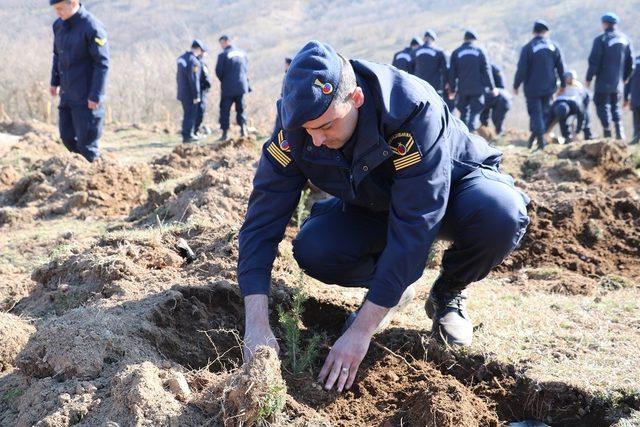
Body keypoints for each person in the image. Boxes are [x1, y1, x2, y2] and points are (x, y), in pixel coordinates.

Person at [238, 41, 530, 393]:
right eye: (306, 130)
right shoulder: (298, 125)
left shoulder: (410, 109)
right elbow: (261, 222)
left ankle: (447, 292)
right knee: (316, 248)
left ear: (355, 100)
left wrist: (361, 331)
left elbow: (418, 221)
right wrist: (255, 326)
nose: (314, 140)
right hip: (373, 203)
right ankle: (394, 286)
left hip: (453, 192)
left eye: (327, 127)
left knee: (500, 214)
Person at [49, 0, 109, 162]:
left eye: (60, 8)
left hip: (87, 96)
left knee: (87, 144)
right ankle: (84, 167)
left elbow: (102, 64)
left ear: (73, 2)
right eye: (55, 9)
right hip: (67, 93)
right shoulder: (58, 26)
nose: (58, 13)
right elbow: (57, 55)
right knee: (66, 137)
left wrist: (96, 94)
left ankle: (95, 176)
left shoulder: (92, 27)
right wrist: (54, 81)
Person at [514, 20, 565, 150]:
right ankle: (534, 141)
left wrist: (516, 85)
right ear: (546, 32)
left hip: (532, 88)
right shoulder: (553, 46)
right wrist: (563, 84)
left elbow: (522, 69)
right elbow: (561, 67)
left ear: (534, 33)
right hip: (549, 88)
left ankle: (541, 143)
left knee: (536, 115)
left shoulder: (528, 47)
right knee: (543, 114)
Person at [586, 12, 634, 139]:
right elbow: (631, 63)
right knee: (615, 105)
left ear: (605, 24)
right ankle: (619, 131)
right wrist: (625, 78)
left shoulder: (601, 39)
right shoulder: (625, 40)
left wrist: (589, 78)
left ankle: (607, 131)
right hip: (618, 82)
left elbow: (594, 61)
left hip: (603, 80)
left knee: (601, 103)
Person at [449, 30, 497, 132]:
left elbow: (452, 73)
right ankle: (471, 131)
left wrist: (452, 90)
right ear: (474, 40)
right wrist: (492, 87)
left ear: (464, 39)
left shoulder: (456, 52)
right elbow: (487, 70)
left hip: (462, 88)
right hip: (477, 88)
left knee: (463, 112)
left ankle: (462, 133)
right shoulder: (480, 51)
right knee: (475, 111)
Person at [215, 35, 250, 140]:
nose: (221, 45)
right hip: (241, 86)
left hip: (228, 87)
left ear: (226, 42)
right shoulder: (243, 54)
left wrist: (225, 81)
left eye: (221, 43)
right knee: (241, 108)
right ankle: (243, 129)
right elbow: (245, 68)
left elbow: (219, 72)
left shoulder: (223, 55)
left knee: (225, 110)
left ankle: (224, 133)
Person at [546, 71, 593, 142]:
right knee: (561, 117)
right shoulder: (560, 85)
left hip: (575, 107)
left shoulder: (578, 86)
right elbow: (554, 95)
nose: (570, 80)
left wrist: (578, 131)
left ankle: (578, 136)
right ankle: (564, 137)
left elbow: (585, 98)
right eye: (568, 78)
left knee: (579, 119)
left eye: (571, 78)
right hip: (561, 107)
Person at [176, 40, 204, 143]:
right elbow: (194, 79)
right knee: (191, 114)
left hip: (182, 92)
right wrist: (196, 95)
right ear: (198, 49)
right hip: (190, 93)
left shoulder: (181, 58)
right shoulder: (193, 61)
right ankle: (188, 135)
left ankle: (186, 134)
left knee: (186, 113)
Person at [414, 30, 449, 104]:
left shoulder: (415, 52)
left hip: (418, 87)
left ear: (424, 39)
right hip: (434, 87)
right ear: (434, 39)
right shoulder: (439, 52)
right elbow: (445, 70)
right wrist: (448, 84)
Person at [480, 64, 512, 135]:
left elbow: (501, 84)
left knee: (496, 119)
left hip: (501, 99)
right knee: (497, 120)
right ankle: (492, 134)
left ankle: (497, 136)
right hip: (504, 97)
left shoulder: (493, 68)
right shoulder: (490, 67)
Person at [195, 43, 213, 137]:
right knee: (200, 110)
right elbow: (206, 78)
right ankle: (195, 130)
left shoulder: (195, 61)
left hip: (197, 90)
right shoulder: (200, 62)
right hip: (201, 90)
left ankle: (195, 130)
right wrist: (208, 85)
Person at [624, 55, 640, 145]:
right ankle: (636, 141)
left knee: (637, 123)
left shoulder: (634, 63)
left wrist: (626, 98)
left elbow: (627, 81)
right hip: (635, 98)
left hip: (635, 98)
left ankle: (636, 141)